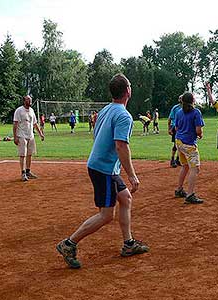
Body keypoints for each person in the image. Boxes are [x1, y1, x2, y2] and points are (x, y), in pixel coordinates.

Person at [56, 73, 149, 269]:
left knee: (125, 198)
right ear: (128, 91)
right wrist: (132, 175)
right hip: (103, 169)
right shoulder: (124, 115)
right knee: (106, 215)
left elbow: (98, 135)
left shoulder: (107, 109)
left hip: (104, 167)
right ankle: (69, 243)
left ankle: (128, 244)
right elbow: (121, 146)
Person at [174, 92, 205, 204]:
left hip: (179, 142)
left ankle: (179, 189)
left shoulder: (178, 112)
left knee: (185, 166)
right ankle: (190, 194)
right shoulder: (196, 112)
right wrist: (200, 135)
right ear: (193, 101)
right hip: (189, 144)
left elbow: (176, 128)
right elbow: (198, 131)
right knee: (195, 168)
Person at [13, 95, 45, 182]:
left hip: (30, 136)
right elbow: (15, 124)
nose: (30, 101)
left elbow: (35, 123)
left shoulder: (31, 110)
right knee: (22, 155)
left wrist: (40, 134)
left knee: (29, 154)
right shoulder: (19, 110)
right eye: (28, 99)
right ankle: (23, 173)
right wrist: (15, 137)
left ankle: (28, 171)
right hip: (21, 136)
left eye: (30, 99)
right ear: (24, 101)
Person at [168, 96, 183, 168]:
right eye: (180, 98)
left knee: (181, 145)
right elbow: (170, 118)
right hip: (175, 128)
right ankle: (172, 159)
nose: (181, 100)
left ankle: (178, 159)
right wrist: (169, 129)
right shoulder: (175, 108)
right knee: (176, 145)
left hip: (183, 128)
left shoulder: (187, 108)